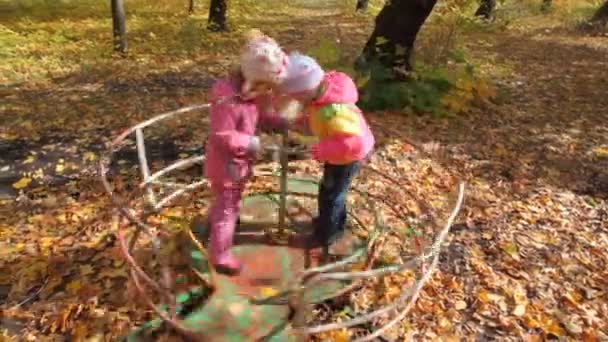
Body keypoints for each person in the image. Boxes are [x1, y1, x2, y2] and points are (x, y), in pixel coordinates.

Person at [204, 31, 288, 275]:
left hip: (238, 163)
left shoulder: (249, 94)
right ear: (253, 79)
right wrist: (254, 144)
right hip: (226, 165)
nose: (266, 91)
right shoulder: (227, 98)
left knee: (227, 202)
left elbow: (257, 114)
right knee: (227, 207)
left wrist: (277, 121)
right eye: (264, 86)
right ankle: (220, 256)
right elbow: (223, 135)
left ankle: (215, 224)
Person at [277, 52, 375, 248]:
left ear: (305, 91)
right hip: (340, 152)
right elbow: (316, 116)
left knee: (331, 195)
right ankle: (333, 224)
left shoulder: (334, 112)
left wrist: (318, 149)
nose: (296, 101)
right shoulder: (324, 93)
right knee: (334, 191)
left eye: (296, 97)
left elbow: (351, 144)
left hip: (347, 156)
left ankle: (325, 235)